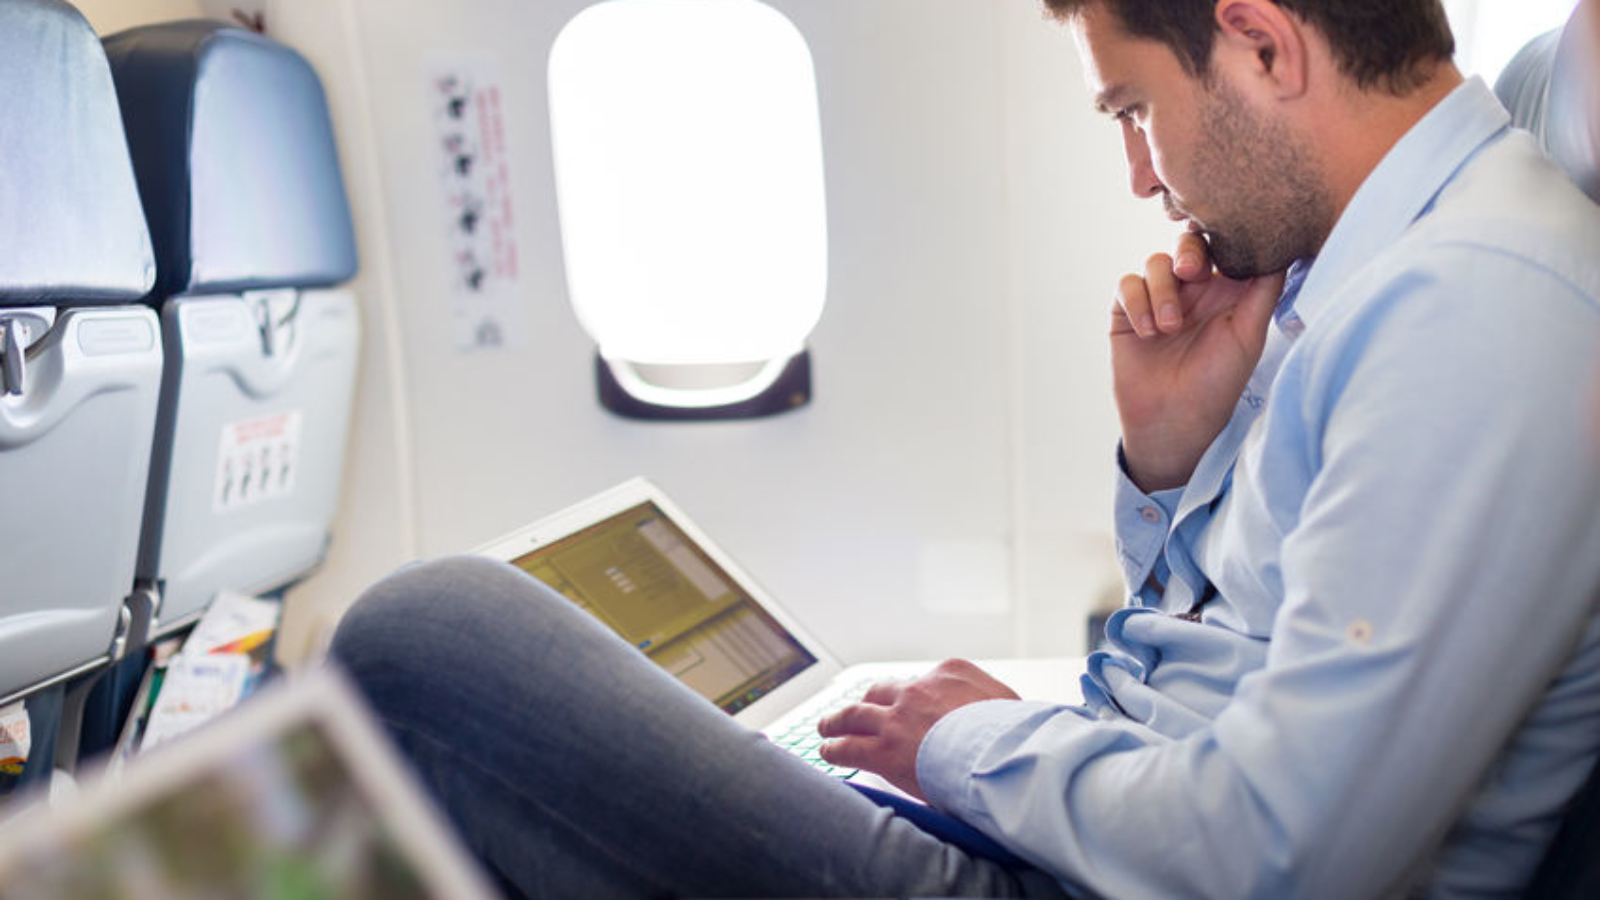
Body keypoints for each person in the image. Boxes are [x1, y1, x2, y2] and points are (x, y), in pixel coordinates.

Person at [329, 1, 1600, 897]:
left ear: (1261, 42)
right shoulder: (1365, 263)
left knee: (428, 637)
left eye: (1134, 110)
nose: (1142, 178)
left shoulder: (1473, 305)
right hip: (1092, 836)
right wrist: (1168, 469)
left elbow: (1283, 856)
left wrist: (967, 749)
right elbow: (1216, 663)